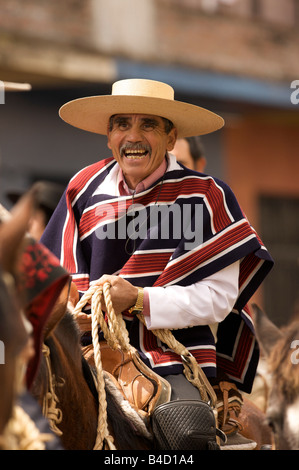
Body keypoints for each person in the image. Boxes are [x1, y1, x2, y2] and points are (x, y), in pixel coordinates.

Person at [41, 78, 274, 450]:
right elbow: (50, 277)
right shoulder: (81, 188)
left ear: (170, 137)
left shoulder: (205, 195)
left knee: (186, 431)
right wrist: (72, 314)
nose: (133, 136)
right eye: (122, 124)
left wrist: (137, 300)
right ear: (108, 135)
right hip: (84, 348)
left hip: (172, 355)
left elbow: (218, 299)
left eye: (148, 124)